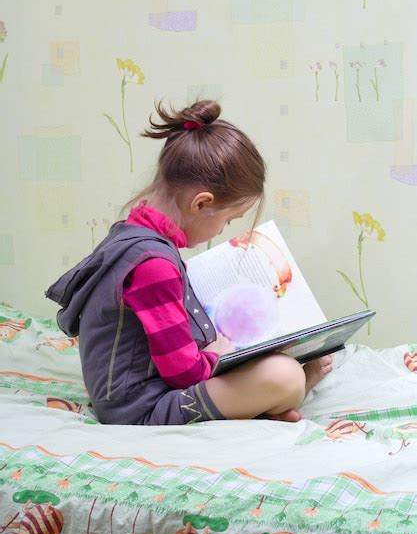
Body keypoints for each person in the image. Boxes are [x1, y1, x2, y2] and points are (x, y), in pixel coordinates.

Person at [45, 100, 332, 425]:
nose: (223, 230)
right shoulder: (153, 264)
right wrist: (220, 355)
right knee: (285, 376)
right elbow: (183, 373)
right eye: (227, 220)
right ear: (201, 203)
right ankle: (286, 395)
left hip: (142, 392)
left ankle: (265, 401)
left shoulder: (133, 236)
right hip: (139, 409)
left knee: (272, 366)